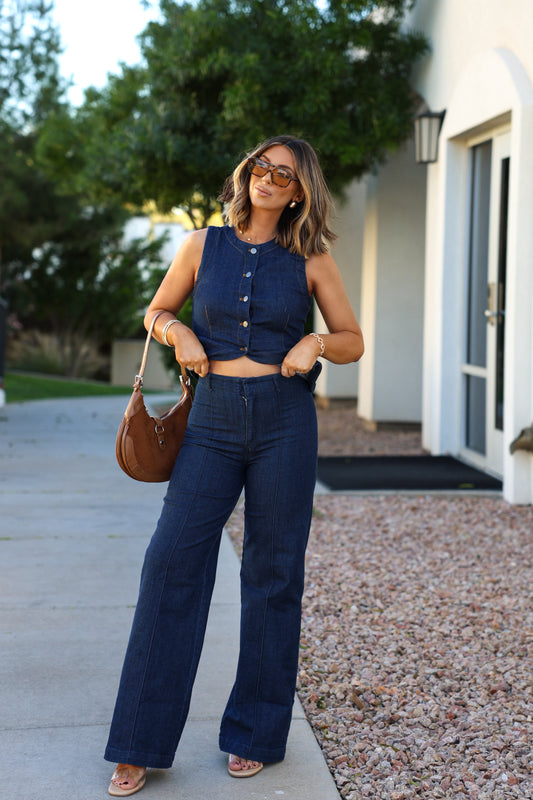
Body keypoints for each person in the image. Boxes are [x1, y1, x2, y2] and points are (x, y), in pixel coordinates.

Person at [105, 134, 364, 796]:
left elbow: (352, 339)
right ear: (245, 173)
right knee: (170, 567)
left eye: (284, 174)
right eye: (261, 167)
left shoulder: (311, 257)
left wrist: (314, 343)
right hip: (212, 421)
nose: (269, 179)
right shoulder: (200, 244)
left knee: (273, 575)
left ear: (299, 190)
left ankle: (255, 732)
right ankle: (138, 740)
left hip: (284, 422)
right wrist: (179, 332)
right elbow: (155, 310)